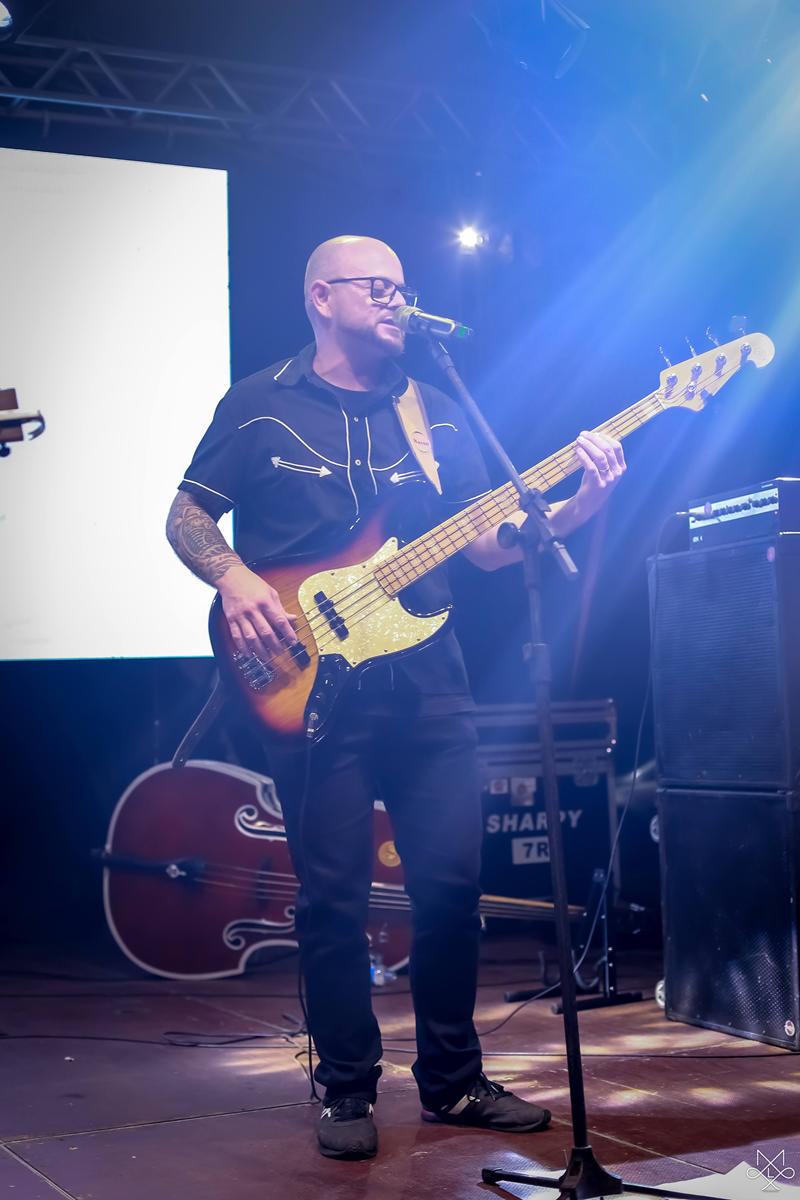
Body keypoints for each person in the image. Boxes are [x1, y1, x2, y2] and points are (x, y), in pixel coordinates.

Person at [166, 235, 625, 1160]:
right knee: (333, 899)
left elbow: (486, 545)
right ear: (320, 297)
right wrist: (234, 577)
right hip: (310, 684)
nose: (396, 301)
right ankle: (346, 1086)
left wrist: (576, 508)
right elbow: (186, 514)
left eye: (403, 288)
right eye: (377, 287)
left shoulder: (437, 411)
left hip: (430, 683)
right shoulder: (259, 404)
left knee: (451, 889)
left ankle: (453, 1081)